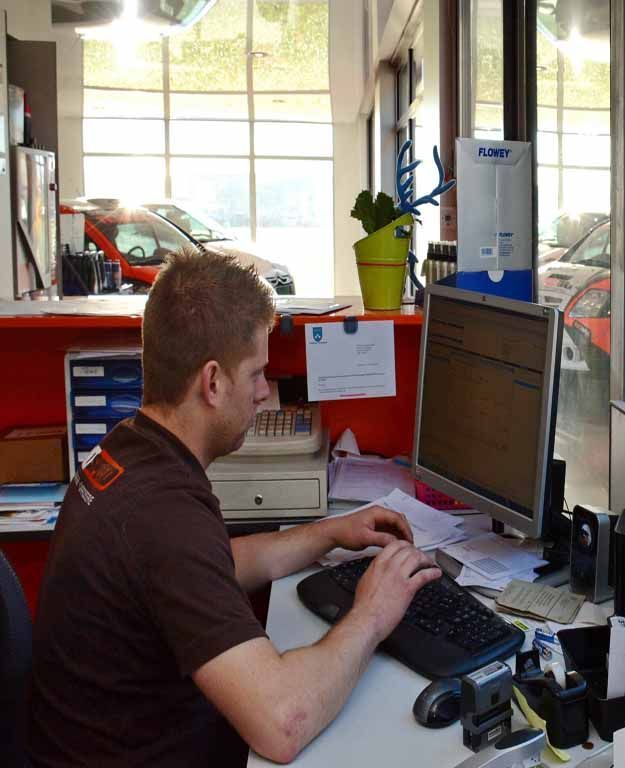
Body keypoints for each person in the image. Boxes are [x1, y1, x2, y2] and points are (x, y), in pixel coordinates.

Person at [27, 248, 441, 766]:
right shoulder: (161, 515)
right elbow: (282, 723)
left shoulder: (130, 448)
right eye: (256, 375)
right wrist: (374, 612)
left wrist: (328, 532)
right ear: (213, 381)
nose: (265, 394)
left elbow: (207, 566)